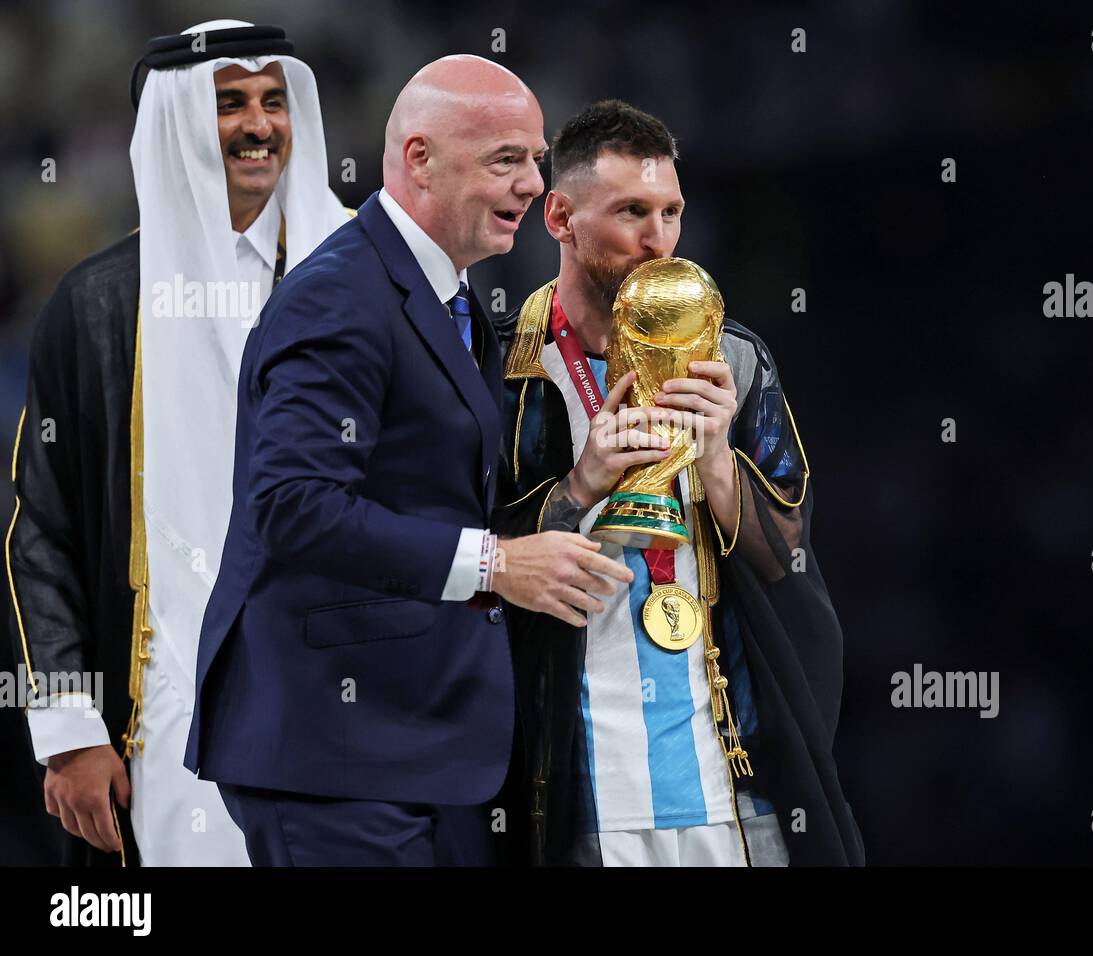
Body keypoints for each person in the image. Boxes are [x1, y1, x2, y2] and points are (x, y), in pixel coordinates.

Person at [184, 56, 632, 867]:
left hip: (421, 746)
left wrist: (578, 486)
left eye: (536, 159)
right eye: (506, 159)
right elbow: (293, 504)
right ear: (419, 159)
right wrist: (497, 563)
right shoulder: (341, 295)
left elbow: (432, 500)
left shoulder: (452, 301)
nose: (534, 184)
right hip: (334, 749)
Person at [6, 19, 349, 866]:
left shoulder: (357, 283)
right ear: (176, 121)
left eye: (274, 101)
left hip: (343, 705)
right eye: (230, 103)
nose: (259, 125)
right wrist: (68, 726)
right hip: (160, 712)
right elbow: (41, 530)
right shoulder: (92, 308)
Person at [493, 100, 865, 866]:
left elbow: (788, 557)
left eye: (671, 212)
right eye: (631, 211)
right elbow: (476, 559)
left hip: (733, 790)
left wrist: (720, 462)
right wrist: (584, 483)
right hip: (580, 793)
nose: (657, 239)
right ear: (559, 216)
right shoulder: (502, 372)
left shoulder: (736, 360)